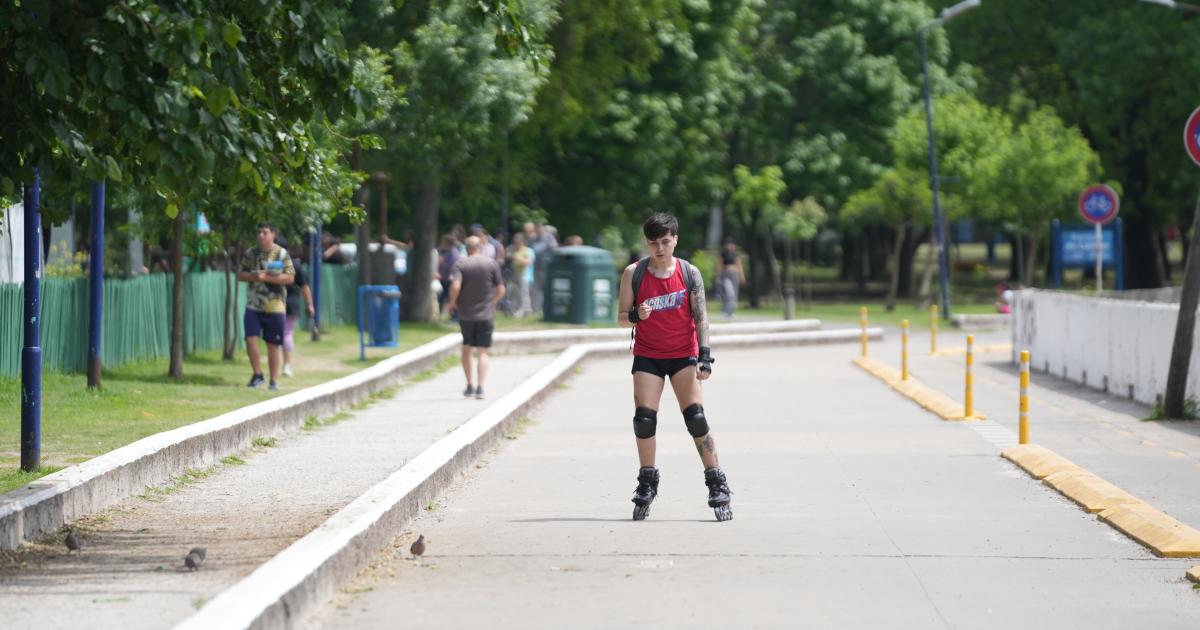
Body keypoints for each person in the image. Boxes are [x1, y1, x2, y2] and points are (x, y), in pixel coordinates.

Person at [618, 212, 732, 522]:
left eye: (665, 242)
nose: (659, 248)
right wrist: (637, 315)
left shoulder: (689, 273)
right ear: (647, 243)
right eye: (653, 243)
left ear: (675, 240)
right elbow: (621, 316)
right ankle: (647, 480)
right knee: (644, 419)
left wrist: (705, 356)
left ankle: (716, 479)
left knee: (695, 417)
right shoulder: (634, 273)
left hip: (683, 354)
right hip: (648, 354)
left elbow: (701, 317)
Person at [446, 235, 506, 400]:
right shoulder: (491, 264)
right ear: (481, 247)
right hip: (486, 315)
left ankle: (469, 385)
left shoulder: (460, 264)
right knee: (483, 352)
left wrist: (452, 302)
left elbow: (456, 285)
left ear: (466, 248)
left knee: (467, 349)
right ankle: (481, 387)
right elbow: (501, 290)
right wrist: (491, 303)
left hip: (466, 314)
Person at [237, 222, 294, 391]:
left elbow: (290, 278)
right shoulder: (251, 253)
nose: (261, 235)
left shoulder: (281, 254)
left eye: (265, 232)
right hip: (253, 304)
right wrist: (255, 276)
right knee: (250, 339)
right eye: (259, 232)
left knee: (272, 344)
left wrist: (267, 278)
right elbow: (240, 274)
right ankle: (257, 374)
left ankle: (273, 380)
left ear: (273, 234)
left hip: (275, 306)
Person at [282, 242, 315, 377]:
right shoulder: (295, 265)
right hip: (291, 303)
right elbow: (304, 287)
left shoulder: (270, 263)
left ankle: (283, 364)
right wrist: (309, 304)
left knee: (278, 336)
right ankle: (287, 365)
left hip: (274, 302)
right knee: (287, 334)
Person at [715, 237, 746, 318]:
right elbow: (719, 266)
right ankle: (725, 311)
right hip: (726, 275)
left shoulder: (736, 255)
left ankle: (731, 312)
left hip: (735, 275)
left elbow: (739, 266)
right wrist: (718, 277)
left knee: (734, 294)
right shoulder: (722, 254)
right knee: (729, 293)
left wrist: (742, 276)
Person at [509, 232, 535, 317]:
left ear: (523, 241)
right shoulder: (514, 250)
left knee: (524, 293)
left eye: (518, 241)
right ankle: (518, 309)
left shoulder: (528, 250)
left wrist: (517, 258)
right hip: (515, 274)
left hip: (525, 275)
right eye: (515, 241)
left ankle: (525, 310)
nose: (516, 243)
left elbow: (528, 262)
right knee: (516, 293)